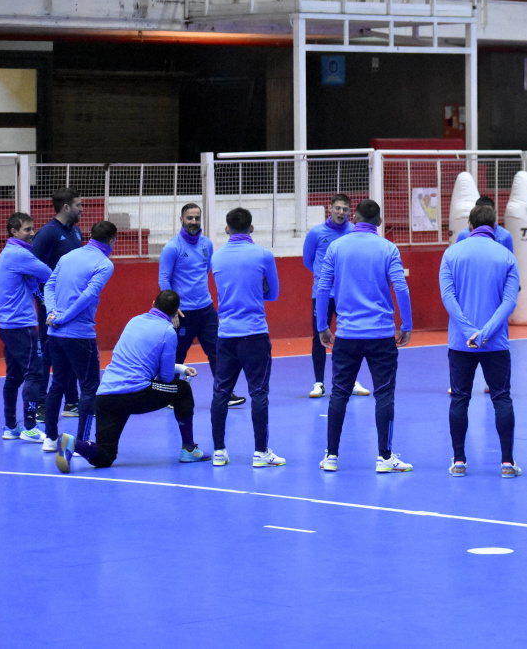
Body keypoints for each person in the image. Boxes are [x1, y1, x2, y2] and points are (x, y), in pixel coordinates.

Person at [53, 290, 206, 473]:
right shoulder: (168, 332)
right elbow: (165, 378)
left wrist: (180, 368)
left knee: (105, 457)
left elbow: (140, 359)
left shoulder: (134, 321)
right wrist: (178, 372)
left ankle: (73, 444)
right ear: (175, 313)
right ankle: (189, 449)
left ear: (152, 304)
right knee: (182, 389)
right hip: (135, 393)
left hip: (106, 395)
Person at [316, 199, 414, 473]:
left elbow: (323, 288)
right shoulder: (388, 248)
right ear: (379, 223)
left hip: (346, 335)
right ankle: (385, 458)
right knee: (384, 395)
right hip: (382, 335)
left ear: (354, 218)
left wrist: (322, 325)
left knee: (339, 394)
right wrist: (406, 324)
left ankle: (331, 456)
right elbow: (401, 288)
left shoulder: (336, 247)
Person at [440, 204, 521, 477]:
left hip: (460, 343)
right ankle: (507, 463)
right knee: (501, 398)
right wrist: (485, 332)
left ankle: (459, 461)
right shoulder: (507, 256)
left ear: (470, 226)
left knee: (460, 399)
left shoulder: (451, 254)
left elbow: (448, 298)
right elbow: (509, 301)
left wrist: (467, 331)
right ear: (495, 226)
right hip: (495, 343)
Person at [210, 208, 284, 467]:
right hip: (254, 334)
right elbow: (273, 294)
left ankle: (219, 451)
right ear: (251, 228)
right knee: (259, 393)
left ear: (227, 228)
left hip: (226, 334)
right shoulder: (263, 255)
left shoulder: (216, 257)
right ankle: (260, 452)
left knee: (220, 392)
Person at [158, 203, 245, 407]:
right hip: (182, 312)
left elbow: (204, 271)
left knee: (218, 351)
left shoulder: (207, 244)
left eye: (197, 218)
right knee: (177, 353)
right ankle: (171, 395)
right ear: (181, 220)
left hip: (205, 309)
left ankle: (225, 392)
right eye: (189, 218)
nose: (194, 222)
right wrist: (172, 308)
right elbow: (164, 279)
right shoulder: (172, 247)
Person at [43, 220, 117, 446]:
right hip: (80, 336)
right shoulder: (104, 264)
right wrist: (63, 317)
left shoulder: (67, 257)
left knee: (57, 384)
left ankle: (50, 438)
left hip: (54, 333)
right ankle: (82, 443)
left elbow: (48, 286)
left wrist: (52, 313)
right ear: (112, 240)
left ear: (90, 236)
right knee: (89, 387)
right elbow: (88, 295)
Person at [302, 193, 370, 399]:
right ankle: (319, 383)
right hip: (322, 295)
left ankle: (350, 381)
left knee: (350, 337)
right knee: (319, 336)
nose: (341, 213)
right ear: (330, 209)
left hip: (347, 295)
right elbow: (308, 260)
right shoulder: (315, 233)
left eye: (345, 209)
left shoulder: (353, 232)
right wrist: (324, 278)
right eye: (338, 208)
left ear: (351, 213)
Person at [0, 213, 52, 445]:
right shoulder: (20, 255)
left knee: (14, 376)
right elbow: (50, 274)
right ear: (13, 232)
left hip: (8, 326)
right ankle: (29, 427)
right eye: (27, 230)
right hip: (22, 326)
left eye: (32, 229)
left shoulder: (9, 253)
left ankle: (11, 426)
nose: (32, 233)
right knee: (35, 374)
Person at [31, 187, 83, 422]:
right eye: (78, 205)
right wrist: (45, 304)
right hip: (51, 307)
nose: (81, 209)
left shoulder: (76, 232)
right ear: (66, 207)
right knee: (49, 353)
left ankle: (71, 402)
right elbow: (32, 271)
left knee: (70, 350)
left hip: (71, 306)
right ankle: (42, 404)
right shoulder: (48, 233)